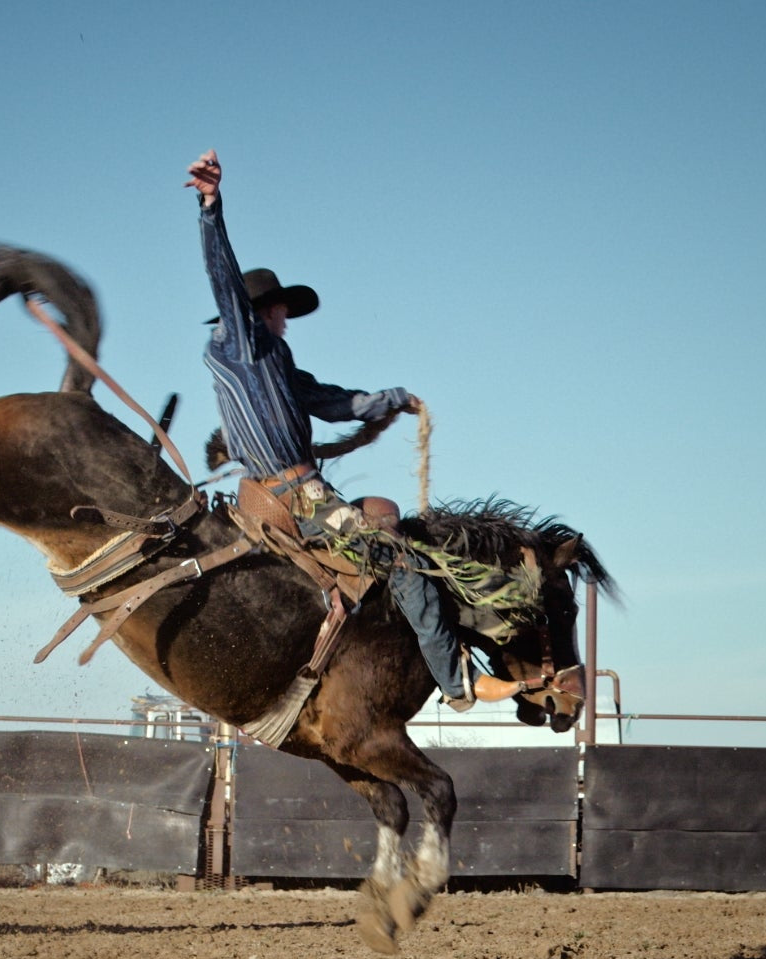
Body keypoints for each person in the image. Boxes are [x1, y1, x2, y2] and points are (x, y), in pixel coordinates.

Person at [185, 149, 526, 710]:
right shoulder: (242, 343)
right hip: (293, 496)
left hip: (303, 490)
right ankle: (457, 682)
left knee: (387, 513)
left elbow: (339, 403)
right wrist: (210, 207)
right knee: (401, 558)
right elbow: (222, 274)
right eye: (280, 310)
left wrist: (394, 399)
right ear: (260, 310)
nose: (286, 319)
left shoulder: (279, 365)